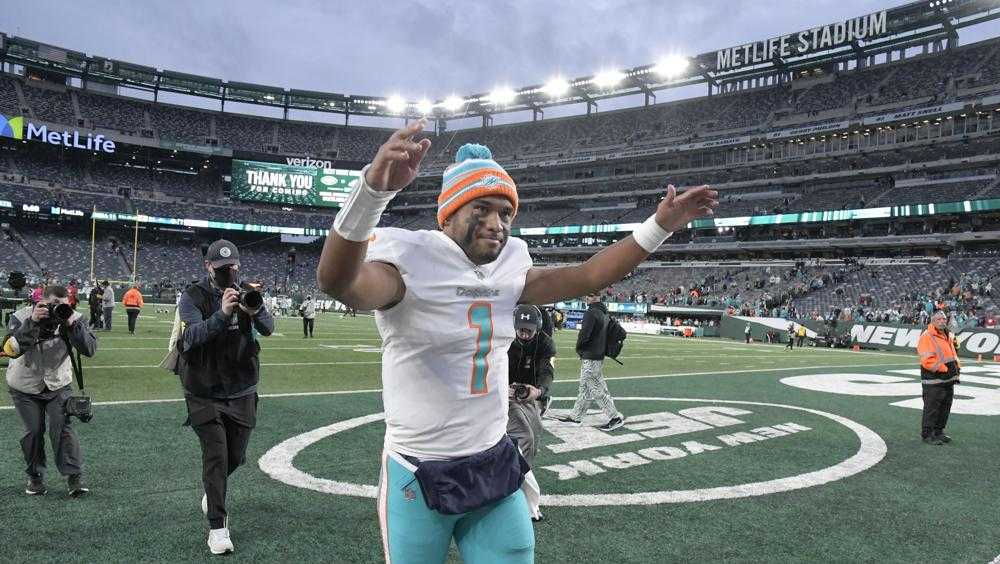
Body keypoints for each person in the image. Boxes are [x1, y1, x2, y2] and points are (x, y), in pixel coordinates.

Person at [316, 120, 715, 564]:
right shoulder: (411, 260)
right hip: (419, 466)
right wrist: (371, 193)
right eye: (481, 209)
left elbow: (588, 275)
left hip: (492, 459)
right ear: (448, 214)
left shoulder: (509, 265)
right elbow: (339, 282)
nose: (497, 223)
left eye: (505, 213)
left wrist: (660, 225)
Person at [176, 239, 274, 555]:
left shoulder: (247, 290)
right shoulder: (193, 296)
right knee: (216, 457)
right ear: (208, 267)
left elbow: (269, 328)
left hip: (242, 386)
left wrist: (254, 309)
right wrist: (221, 314)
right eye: (221, 268)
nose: (228, 273)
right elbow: (190, 337)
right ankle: (218, 527)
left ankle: (213, 488)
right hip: (203, 389)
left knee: (237, 456)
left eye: (232, 267)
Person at [2, 285, 97, 496]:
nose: (59, 309)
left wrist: (73, 325)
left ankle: (74, 478)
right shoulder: (21, 316)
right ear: (41, 301)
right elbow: (12, 350)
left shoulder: (75, 317)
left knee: (62, 428)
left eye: (64, 305)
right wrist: (33, 322)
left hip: (58, 384)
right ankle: (35, 477)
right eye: (53, 305)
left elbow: (89, 349)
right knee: (33, 431)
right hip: (24, 385)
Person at [507, 304, 556, 523]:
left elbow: (547, 371)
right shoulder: (504, 338)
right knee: (524, 439)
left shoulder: (545, 342)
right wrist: (501, 387)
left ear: (537, 328)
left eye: (529, 330)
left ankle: (516, 482)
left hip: (530, 394)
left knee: (535, 437)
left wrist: (538, 391)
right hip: (503, 394)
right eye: (521, 330)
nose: (524, 334)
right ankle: (519, 498)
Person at [558, 292, 626, 431]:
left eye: (589, 295)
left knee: (596, 388)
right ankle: (576, 416)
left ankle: (614, 417)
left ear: (596, 296)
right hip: (598, 355)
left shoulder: (592, 312)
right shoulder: (603, 312)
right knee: (585, 388)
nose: (586, 298)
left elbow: (584, 335)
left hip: (590, 355)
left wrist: (580, 349)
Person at [917, 311, 960, 445]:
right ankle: (927, 435)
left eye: (944, 319)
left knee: (945, 408)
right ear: (933, 321)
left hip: (948, 379)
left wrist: (956, 369)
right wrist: (944, 370)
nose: (942, 321)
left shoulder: (946, 334)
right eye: (939, 319)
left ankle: (938, 432)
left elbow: (952, 354)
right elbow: (927, 360)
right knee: (932, 408)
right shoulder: (927, 336)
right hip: (934, 380)